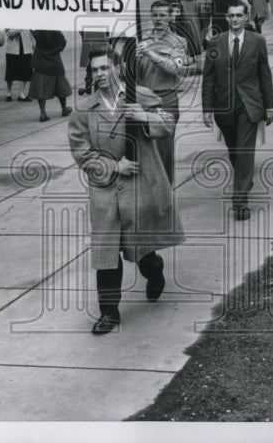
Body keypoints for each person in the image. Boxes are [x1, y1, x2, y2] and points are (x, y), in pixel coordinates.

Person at [68, 46, 186, 335]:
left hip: (138, 188)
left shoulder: (140, 96)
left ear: (117, 68)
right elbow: (82, 154)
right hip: (106, 191)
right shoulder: (83, 110)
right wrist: (112, 167)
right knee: (107, 252)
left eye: (104, 68)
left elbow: (168, 124)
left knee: (140, 249)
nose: (99, 74)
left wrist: (145, 118)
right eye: (94, 70)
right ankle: (109, 312)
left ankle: (154, 271)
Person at [201, 0, 273, 220]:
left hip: (249, 106)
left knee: (244, 150)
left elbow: (265, 74)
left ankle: (240, 201)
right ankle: (245, 179)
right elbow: (208, 78)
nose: (234, 20)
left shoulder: (258, 41)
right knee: (235, 151)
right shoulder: (215, 43)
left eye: (239, 16)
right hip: (224, 107)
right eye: (231, 16)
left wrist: (270, 106)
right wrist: (207, 108)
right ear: (226, 18)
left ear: (246, 17)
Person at [137, 0, 188, 184]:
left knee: (164, 151)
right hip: (143, 101)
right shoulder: (141, 40)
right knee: (143, 150)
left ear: (170, 17)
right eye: (155, 15)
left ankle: (166, 191)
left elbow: (175, 68)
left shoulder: (178, 42)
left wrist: (150, 54)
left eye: (162, 15)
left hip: (165, 100)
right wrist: (131, 61)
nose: (158, 19)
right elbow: (133, 74)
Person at [30, 30, 72, 122]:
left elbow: (33, 33)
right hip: (55, 62)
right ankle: (64, 108)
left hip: (40, 61)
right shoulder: (56, 31)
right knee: (61, 87)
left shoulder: (39, 31)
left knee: (41, 88)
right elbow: (62, 44)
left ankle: (43, 113)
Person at [4, 28, 34, 101]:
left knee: (25, 71)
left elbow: (31, 33)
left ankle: (21, 94)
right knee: (10, 71)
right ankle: (9, 93)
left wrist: (33, 45)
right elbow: (9, 33)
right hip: (12, 49)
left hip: (26, 48)